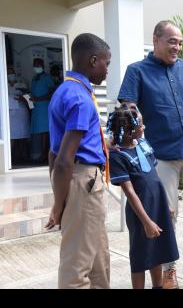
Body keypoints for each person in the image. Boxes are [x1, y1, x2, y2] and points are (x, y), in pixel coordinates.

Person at [117, 20, 183, 289]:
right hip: (161, 154)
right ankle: (169, 271)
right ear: (155, 40)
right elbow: (128, 104)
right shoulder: (137, 71)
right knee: (168, 213)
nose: (177, 46)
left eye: (180, 42)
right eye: (171, 41)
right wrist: (131, 125)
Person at [45, 33, 111, 289]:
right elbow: (63, 160)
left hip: (79, 182)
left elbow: (53, 153)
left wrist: (60, 197)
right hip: (84, 182)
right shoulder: (81, 99)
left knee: (98, 261)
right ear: (93, 60)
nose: (107, 70)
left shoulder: (64, 91)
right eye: (106, 63)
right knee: (77, 267)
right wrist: (59, 205)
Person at [107, 104, 179, 289]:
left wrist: (167, 203)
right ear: (130, 131)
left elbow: (155, 176)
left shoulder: (143, 144)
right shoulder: (118, 156)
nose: (144, 127)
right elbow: (129, 192)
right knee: (140, 255)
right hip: (140, 212)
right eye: (140, 124)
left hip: (158, 205)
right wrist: (146, 222)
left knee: (158, 252)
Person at [30, 58, 55, 163]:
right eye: (35, 65)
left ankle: (45, 155)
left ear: (42, 65)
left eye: (38, 65)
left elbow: (51, 93)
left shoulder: (47, 77)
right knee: (38, 131)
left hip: (44, 107)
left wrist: (39, 99)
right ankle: (39, 154)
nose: (37, 67)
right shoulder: (34, 78)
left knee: (46, 131)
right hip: (36, 108)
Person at [7, 66, 30, 164]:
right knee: (12, 137)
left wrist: (24, 99)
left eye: (11, 72)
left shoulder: (21, 82)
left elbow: (29, 96)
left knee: (23, 136)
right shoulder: (3, 83)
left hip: (21, 112)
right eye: (8, 73)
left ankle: (24, 157)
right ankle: (13, 158)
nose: (10, 74)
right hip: (10, 114)